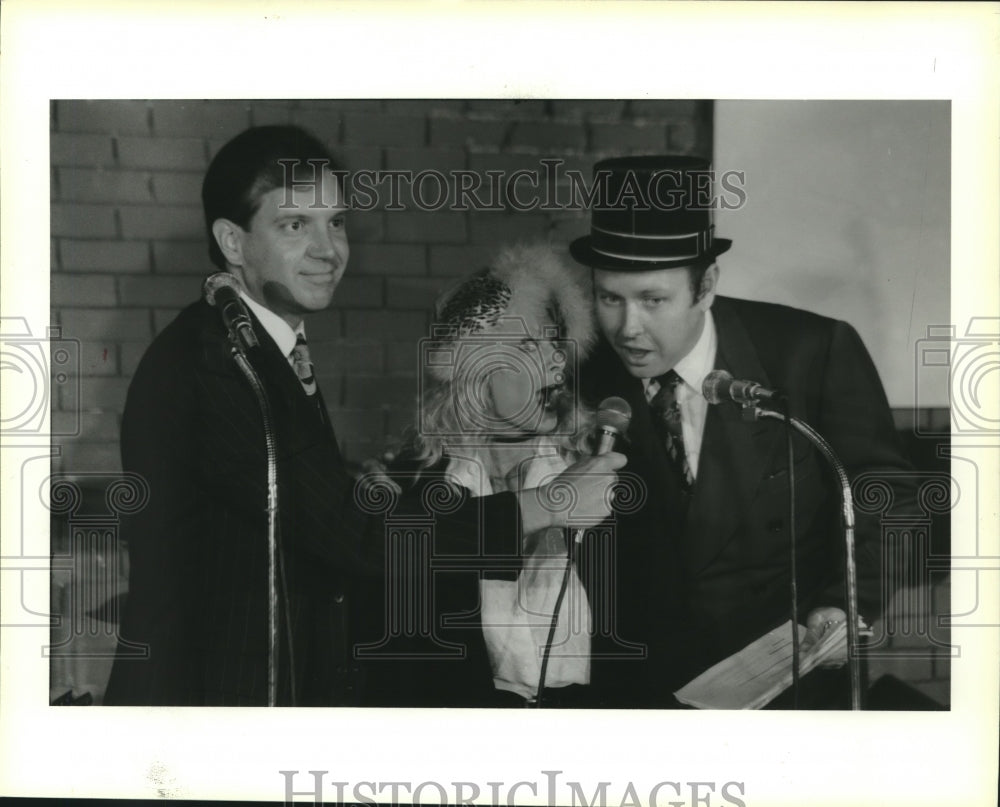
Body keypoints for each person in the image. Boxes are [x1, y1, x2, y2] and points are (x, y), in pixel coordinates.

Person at [103, 126, 623, 706]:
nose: (329, 250)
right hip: (211, 706)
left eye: (337, 222)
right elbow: (348, 536)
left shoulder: (264, 350)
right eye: (295, 225)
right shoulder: (217, 363)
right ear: (232, 241)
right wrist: (544, 507)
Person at [569, 155, 917, 709]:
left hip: (787, 683)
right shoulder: (579, 370)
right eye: (610, 298)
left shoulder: (811, 351)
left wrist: (847, 603)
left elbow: (889, 498)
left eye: (652, 300)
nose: (627, 328)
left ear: (705, 285)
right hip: (636, 694)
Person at [358, 243, 608, 708]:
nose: (557, 359)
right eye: (529, 344)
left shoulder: (599, 471)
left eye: (556, 341)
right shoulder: (407, 490)